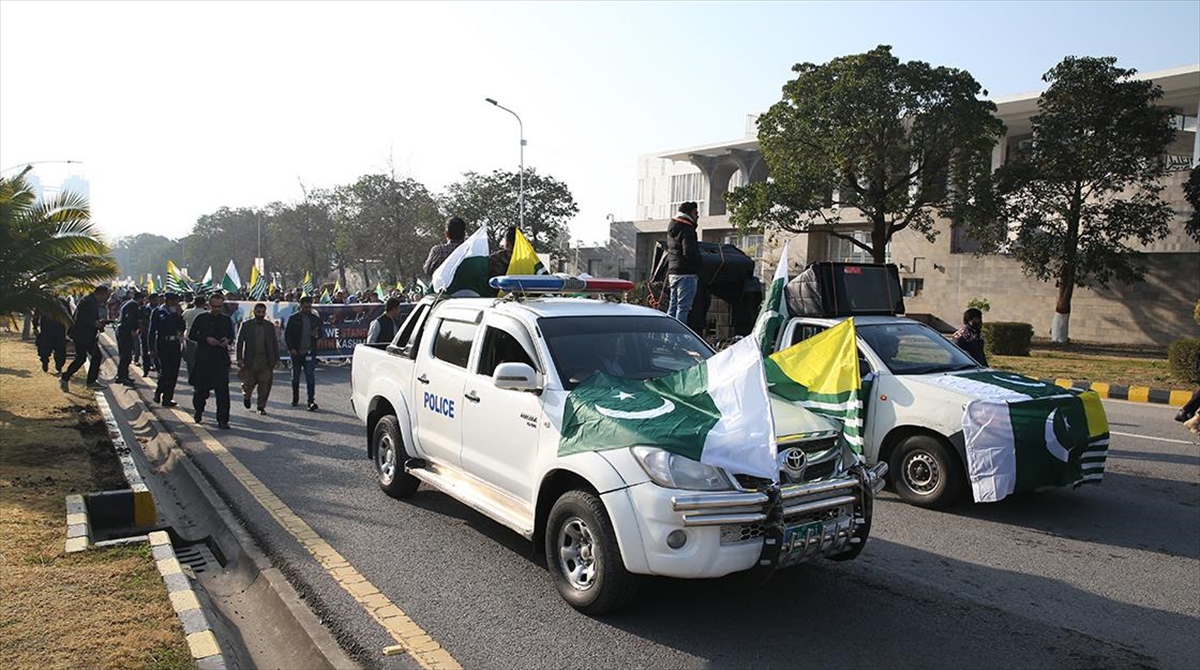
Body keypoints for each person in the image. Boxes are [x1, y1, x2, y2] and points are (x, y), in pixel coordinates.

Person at [188, 292, 235, 428]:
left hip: (220, 360)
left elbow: (231, 336)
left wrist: (227, 340)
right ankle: (198, 411)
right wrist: (206, 339)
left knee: (223, 393)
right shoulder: (201, 318)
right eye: (214, 306)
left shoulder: (226, 320)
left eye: (219, 307)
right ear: (209, 305)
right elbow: (192, 335)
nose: (217, 309)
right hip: (204, 359)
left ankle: (223, 420)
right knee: (200, 391)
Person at [60, 284, 111, 391]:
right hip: (82, 335)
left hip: (86, 334)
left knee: (81, 358)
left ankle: (66, 377)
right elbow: (81, 319)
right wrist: (95, 324)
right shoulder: (88, 302)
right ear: (101, 293)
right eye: (105, 295)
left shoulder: (92, 301)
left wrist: (99, 325)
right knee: (94, 357)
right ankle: (90, 382)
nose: (106, 298)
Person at [237, 302, 279, 415]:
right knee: (248, 384)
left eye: (263, 312)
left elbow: (274, 343)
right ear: (254, 312)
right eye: (258, 312)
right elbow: (239, 342)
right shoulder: (246, 325)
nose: (260, 314)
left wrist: (276, 359)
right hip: (251, 360)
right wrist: (239, 359)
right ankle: (247, 396)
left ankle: (261, 406)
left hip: (265, 360)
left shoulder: (269, 326)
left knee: (264, 385)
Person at [665, 202, 702, 328]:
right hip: (687, 274)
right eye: (696, 213)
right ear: (689, 213)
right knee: (683, 308)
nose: (698, 216)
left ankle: (668, 335)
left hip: (673, 273)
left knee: (672, 306)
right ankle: (678, 338)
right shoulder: (687, 229)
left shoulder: (672, 226)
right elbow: (689, 252)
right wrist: (700, 262)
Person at [285, 295, 322, 411]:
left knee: (310, 377)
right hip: (296, 352)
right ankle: (295, 398)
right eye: (306, 307)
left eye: (310, 307)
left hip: (310, 352)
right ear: (300, 306)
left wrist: (316, 335)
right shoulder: (293, 318)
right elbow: (287, 335)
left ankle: (311, 400)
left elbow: (321, 333)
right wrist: (291, 348)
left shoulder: (315, 319)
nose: (308, 309)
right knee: (295, 378)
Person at [149, 293, 186, 406]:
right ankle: (159, 391)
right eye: (173, 301)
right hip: (162, 343)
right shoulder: (158, 312)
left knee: (173, 373)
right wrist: (151, 348)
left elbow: (181, 328)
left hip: (174, 344)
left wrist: (179, 315)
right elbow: (152, 331)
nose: (175, 303)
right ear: (167, 301)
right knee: (165, 371)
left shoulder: (176, 313)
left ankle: (167, 398)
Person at [114, 290, 144, 385]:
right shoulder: (134, 305)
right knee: (126, 355)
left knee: (125, 355)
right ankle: (121, 376)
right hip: (125, 331)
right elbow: (131, 319)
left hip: (122, 330)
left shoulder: (128, 303)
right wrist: (133, 330)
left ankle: (124, 375)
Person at [34, 302, 69, 375]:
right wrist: (35, 325)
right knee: (45, 350)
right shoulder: (43, 302)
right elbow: (36, 315)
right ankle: (45, 362)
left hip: (58, 330)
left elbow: (68, 316)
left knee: (60, 351)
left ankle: (58, 366)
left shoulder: (62, 302)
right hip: (48, 329)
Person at [182, 294, 207, 378]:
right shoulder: (206, 313)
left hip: (188, 337)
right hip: (202, 338)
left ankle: (191, 376)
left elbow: (181, 320)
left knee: (190, 360)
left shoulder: (187, 312)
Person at [140, 293, 162, 375]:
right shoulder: (144, 309)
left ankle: (158, 370)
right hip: (145, 334)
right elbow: (140, 321)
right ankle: (146, 370)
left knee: (156, 353)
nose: (157, 302)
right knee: (145, 353)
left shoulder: (159, 310)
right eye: (155, 300)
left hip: (156, 335)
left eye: (158, 300)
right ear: (150, 300)